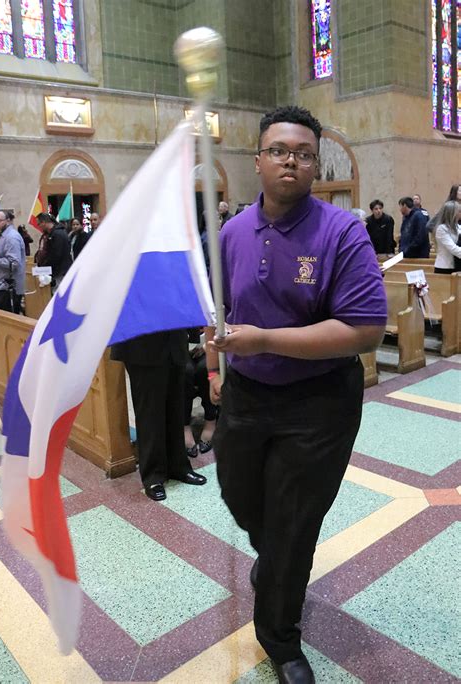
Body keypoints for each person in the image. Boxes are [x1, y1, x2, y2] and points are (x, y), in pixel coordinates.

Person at [205, 105, 387, 684]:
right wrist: (215, 363)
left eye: (303, 153)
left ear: (315, 165)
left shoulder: (341, 232)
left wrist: (265, 339)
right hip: (248, 395)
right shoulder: (232, 232)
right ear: (258, 160)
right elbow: (221, 313)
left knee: (292, 523)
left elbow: (364, 329)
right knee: (239, 492)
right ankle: (272, 554)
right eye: (279, 150)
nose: (291, 160)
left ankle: (281, 640)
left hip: (318, 404)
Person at [110, 330, 207, 501]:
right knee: (149, 412)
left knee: (176, 407)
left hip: (173, 339)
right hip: (141, 343)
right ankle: (153, 475)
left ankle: (179, 466)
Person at [184, 329, 217, 457]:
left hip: (212, 346)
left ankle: (210, 421)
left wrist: (205, 346)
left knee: (205, 369)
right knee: (185, 371)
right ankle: (184, 425)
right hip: (181, 347)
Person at [0, 210, 26, 313]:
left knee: (7, 322)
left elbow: (14, 263)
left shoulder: (11, 237)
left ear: (8, 221)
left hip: (8, 288)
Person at [34, 212, 72, 293]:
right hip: (56, 272)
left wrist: (44, 268)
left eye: (39, 224)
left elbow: (56, 256)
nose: (39, 226)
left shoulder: (58, 234)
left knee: (59, 296)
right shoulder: (51, 234)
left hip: (60, 272)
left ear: (44, 222)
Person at [433, 201, 461, 274]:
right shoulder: (442, 228)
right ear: (452, 213)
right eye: (459, 211)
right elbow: (453, 248)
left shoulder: (458, 227)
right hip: (444, 267)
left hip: (457, 265)